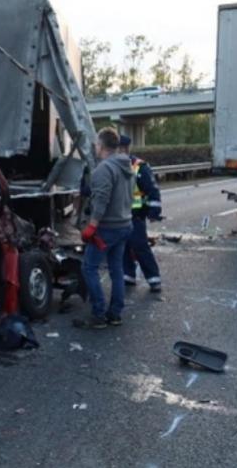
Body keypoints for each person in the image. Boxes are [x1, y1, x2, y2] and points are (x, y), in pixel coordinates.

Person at [75, 127, 134, 329]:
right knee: (116, 269)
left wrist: (92, 225)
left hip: (107, 228)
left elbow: (101, 199)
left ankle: (98, 314)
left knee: (89, 267)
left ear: (100, 145)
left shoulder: (104, 169)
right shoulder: (127, 165)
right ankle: (115, 314)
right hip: (125, 224)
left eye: (96, 144)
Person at [118, 135, 164, 293]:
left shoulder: (139, 167)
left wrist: (154, 211)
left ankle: (154, 279)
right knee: (123, 246)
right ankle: (128, 276)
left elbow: (152, 190)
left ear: (124, 148)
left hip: (136, 215)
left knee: (139, 245)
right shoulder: (113, 166)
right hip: (120, 216)